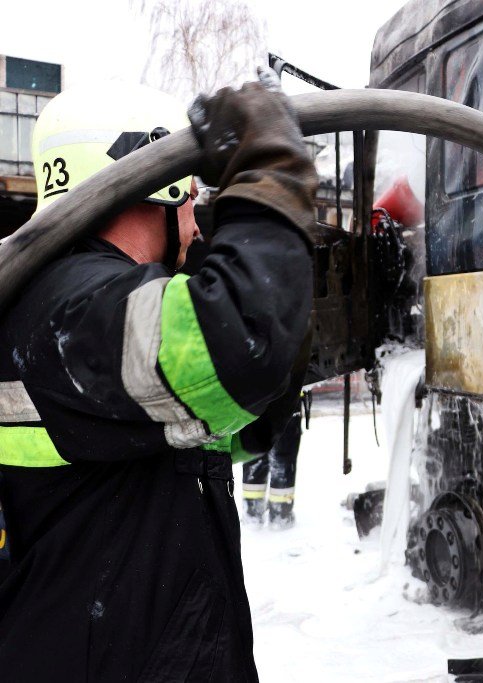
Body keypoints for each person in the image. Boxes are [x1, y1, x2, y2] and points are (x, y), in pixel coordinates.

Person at [0, 73, 316, 681]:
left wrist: (275, 336)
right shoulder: (75, 310)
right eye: (192, 195)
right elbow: (235, 353)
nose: (198, 216)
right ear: (157, 183)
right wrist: (271, 171)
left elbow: (230, 428)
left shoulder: (63, 302)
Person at [242, 393, 303, 528]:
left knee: (254, 454)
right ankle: (281, 515)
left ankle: (252, 513)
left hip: (253, 398)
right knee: (282, 459)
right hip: (287, 399)